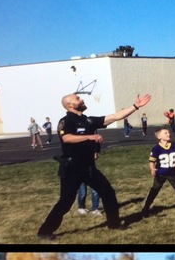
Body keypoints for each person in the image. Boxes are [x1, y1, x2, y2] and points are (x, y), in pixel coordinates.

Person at [37, 91, 152, 238]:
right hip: (72, 168)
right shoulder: (66, 121)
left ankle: (114, 224)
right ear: (70, 105)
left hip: (88, 167)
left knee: (108, 192)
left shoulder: (88, 121)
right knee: (65, 202)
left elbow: (115, 116)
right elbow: (67, 138)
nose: (82, 99)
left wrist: (136, 106)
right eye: (78, 98)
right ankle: (45, 232)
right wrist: (89, 136)